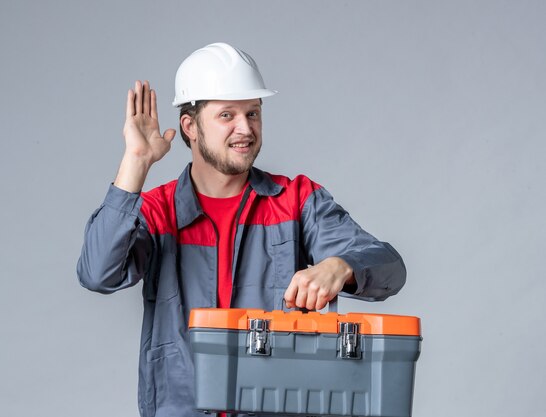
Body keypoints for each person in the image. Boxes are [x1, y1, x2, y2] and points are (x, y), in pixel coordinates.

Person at [77, 42, 406, 417]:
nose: (245, 128)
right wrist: (135, 163)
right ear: (191, 127)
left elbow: (390, 268)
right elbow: (97, 273)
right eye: (227, 115)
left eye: (253, 113)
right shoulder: (158, 211)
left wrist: (342, 265)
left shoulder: (297, 200)